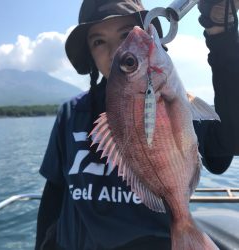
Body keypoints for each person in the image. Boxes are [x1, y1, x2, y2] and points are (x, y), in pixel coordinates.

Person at [35, 0, 239, 249]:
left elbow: (229, 142)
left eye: (125, 33)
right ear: (89, 53)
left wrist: (221, 33)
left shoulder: (177, 103)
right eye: (98, 41)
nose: (114, 51)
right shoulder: (71, 112)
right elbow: (54, 191)